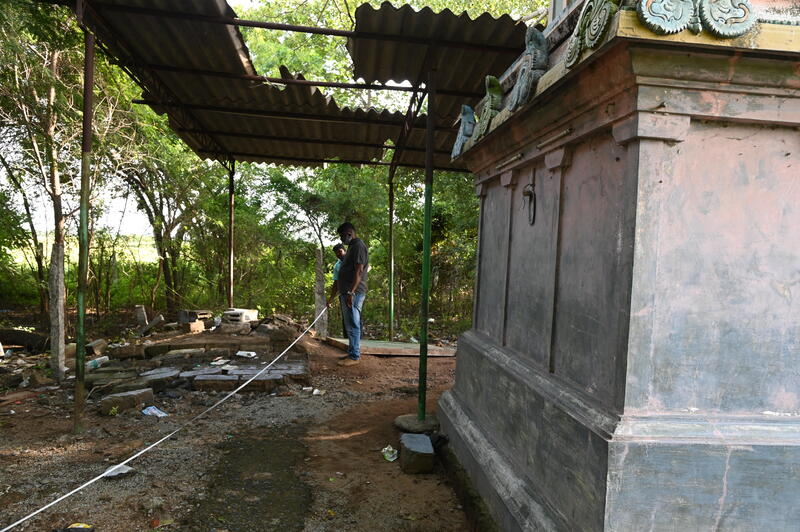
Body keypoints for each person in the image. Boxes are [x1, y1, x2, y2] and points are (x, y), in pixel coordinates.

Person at [334, 222, 368, 366]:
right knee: (350, 324)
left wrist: (351, 292)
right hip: (347, 291)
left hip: (354, 292)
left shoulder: (358, 246)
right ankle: (352, 352)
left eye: (342, 236)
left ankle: (354, 356)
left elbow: (359, 270)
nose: (341, 239)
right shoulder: (352, 247)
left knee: (353, 323)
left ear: (349, 233)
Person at [327, 243, 347, 338]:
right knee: (345, 317)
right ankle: (347, 340)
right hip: (343, 293)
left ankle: (358, 341)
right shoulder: (337, 266)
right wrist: (331, 299)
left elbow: (367, 267)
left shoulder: (352, 259)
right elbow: (336, 283)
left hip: (355, 292)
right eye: (336, 253)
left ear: (344, 250)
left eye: (340, 252)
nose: (338, 254)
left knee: (355, 317)